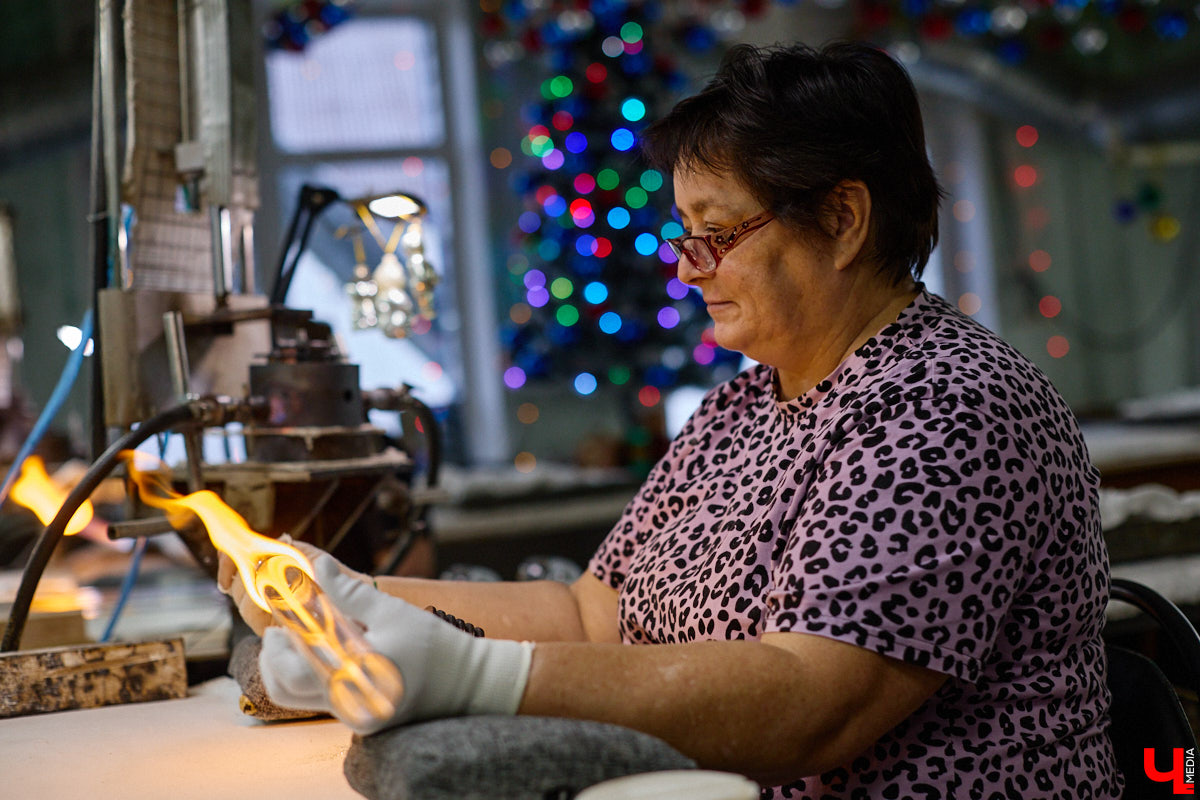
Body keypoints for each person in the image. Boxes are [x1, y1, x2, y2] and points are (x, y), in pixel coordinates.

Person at [220, 41, 1120, 799]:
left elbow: (814, 704)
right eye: (683, 237)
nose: (689, 271)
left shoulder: (947, 408)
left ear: (843, 220)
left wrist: (466, 674)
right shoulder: (745, 406)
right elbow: (587, 614)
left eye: (717, 234)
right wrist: (342, 596)